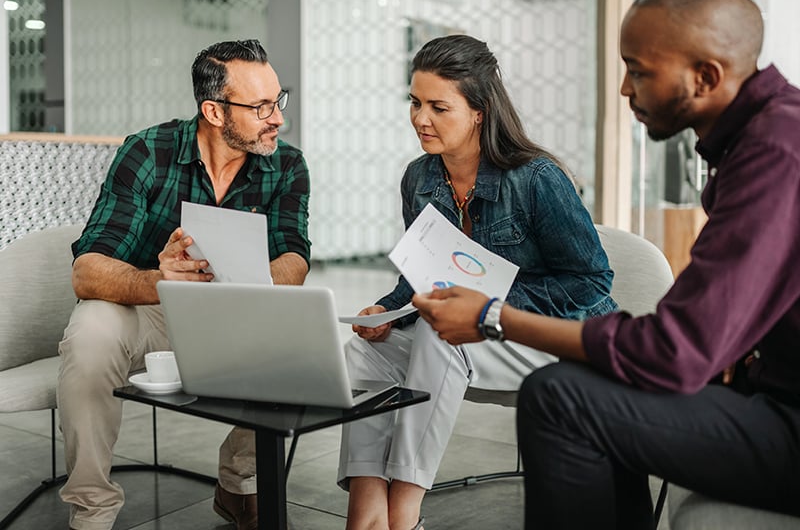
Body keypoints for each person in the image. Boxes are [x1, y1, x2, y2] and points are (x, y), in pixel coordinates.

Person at [413, 0, 800, 530]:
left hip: (789, 422)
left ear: (706, 77)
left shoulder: (776, 154)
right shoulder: (764, 136)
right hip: (770, 393)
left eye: (638, 71)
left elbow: (673, 350)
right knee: (595, 384)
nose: (624, 89)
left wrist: (492, 317)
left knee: (559, 398)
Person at [338, 34, 617, 530]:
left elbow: (592, 282)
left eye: (439, 107)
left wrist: (487, 305)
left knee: (439, 336)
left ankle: (405, 513)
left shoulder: (536, 178)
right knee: (363, 352)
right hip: (472, 336)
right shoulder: (419, 178)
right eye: (415, 102)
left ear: (479, 112)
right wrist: (386, 310)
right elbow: (420, 273)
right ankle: (366, 509)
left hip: (548, 337)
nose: (421, 119)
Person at [58, 39, 311, 530]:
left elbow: (295, 258)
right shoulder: (148, 151)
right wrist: (161, 278)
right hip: (149, 309)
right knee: (90, 331)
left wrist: (244, 283)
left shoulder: (287, 164)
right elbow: (86, 270)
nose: (277, 118)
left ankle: (239, 487)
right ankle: (92, 510)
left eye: (278, 100)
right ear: (214, 111)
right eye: (260, 107)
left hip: (233, 311)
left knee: (289, 335)